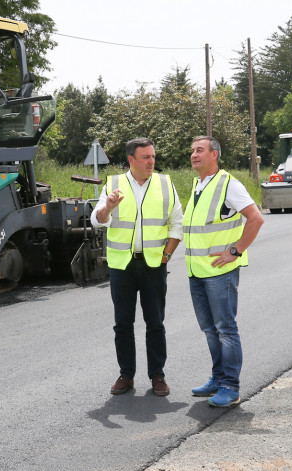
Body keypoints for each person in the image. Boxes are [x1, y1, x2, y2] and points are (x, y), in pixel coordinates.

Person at [92, 137, 183, 397]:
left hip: (155, 264)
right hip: (122, 265)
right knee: (123, 324)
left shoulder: (165, 184)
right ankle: (126, 375)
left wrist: (166, 255)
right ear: (131, 160)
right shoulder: (114, 184)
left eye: (153, 156)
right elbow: (98, 220)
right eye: (146, 157)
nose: (151, 161)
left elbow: (177, 223)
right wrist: (107, 207)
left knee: (155, 323)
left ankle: (158, 376)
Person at [183, 136, 264, 407]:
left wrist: (236, 250)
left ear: (214, 154)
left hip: (220, 272)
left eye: (200, 150)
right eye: (193, 150)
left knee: (225, 329)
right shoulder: (198, 185)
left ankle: (231, 386)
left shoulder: (229, 184)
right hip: (197, 272)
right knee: (210, 329)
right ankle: (218, 379)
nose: (194, 155)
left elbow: (256, 218)